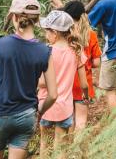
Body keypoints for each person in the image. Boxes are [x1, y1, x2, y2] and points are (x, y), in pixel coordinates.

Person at [0, 0, 58, 159]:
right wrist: (39, 113)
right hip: (26, 116)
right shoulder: (45, 51)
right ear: (36, 20)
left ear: (15, 17)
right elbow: (53, 95)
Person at [38, 10, 89, 157]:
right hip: (65, 108)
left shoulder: (45, 51)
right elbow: (84, 84)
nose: (46, 35)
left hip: (46, 104)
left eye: (47, 31)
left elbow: (42, 82)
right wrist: (85, 96)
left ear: (54, 32)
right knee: (60, 146)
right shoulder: (76, 51)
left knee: (44, 143)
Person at [59, 1, 102, 130]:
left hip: (66, 83)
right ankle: (77, 149)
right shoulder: (91, 35)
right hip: (84, 85)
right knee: (81, 121)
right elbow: (96, 62)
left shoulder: (64, 36)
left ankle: (67, 148)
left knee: (69, 120)